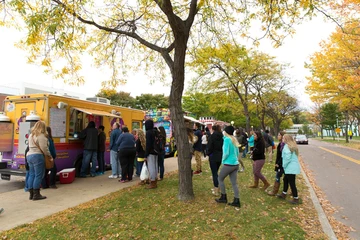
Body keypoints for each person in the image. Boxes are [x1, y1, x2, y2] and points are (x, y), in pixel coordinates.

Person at [215, 125, 241, 207]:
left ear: (226, 132)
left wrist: (223, 161)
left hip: (229, 163)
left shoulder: (226, 140)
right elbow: (237, 153)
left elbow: (226, 153)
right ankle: (237, 200)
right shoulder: (234, 139)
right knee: (234, 183)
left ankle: (223, 197)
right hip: (235, 163)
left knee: (220, 178)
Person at [27, 120, 53, 200]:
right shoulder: (41, 136)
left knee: (31, 174)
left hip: (29, 155)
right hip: (37, 156)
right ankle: (36, 194)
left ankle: (31, 194)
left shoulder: (31, 135)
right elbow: (44, 148)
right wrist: (49, 156)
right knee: (38, 175)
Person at [277, 134, 301, 204]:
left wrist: (284, 165)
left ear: (287, 139)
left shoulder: (287, 147)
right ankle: (284, 193)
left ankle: (296, 198)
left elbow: (287, 157)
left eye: (284, 138)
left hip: (289, 168)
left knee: (292, 183)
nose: (282, 139)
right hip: (292, 167)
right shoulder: (293, 146)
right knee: (285, 180)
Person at [207, 125, 223, 196]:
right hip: (220, 155)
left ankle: (216, 188)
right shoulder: (222, 137)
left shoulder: (212, 137)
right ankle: (217, 187)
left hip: (213, 156)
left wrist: (208, 153)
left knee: (214, 173)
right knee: (216, 172)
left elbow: (210, 146)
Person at [268, 131, 285, 196]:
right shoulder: (281, 144)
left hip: (281, 164)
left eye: (279, 135)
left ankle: (275, 191)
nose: (278, 136)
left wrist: (278, 163)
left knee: (278, 176)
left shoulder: (283, 144)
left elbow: (282, 156)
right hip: (280, 163)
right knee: (285, 177)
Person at [144, 119, 159, 189]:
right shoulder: (155, 131)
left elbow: (148, 144)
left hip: (151, 151)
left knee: (151, 166)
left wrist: (145, 154)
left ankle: (152, 182)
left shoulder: (148, 132)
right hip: (156, 151)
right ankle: (155, 179)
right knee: (155, 166)